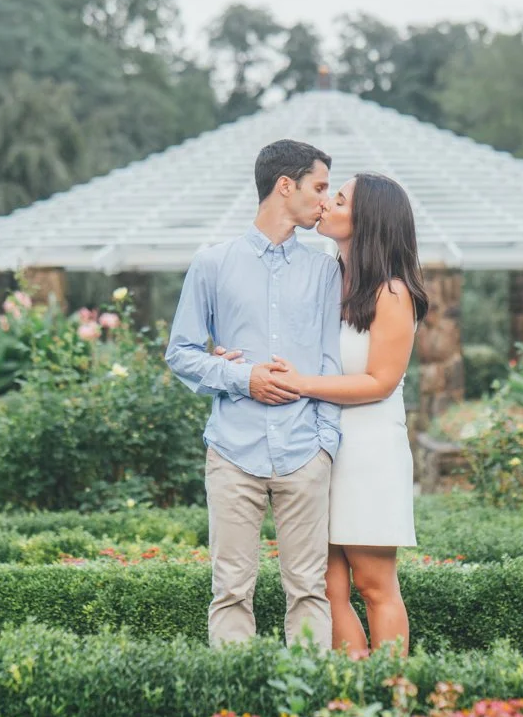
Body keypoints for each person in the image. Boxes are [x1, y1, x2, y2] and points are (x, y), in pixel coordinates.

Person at [219, 172, 427, 656]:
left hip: (369, 451)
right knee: (325, 588)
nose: (325, 203)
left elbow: (380, 381)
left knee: (374, 585)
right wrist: (237, 361)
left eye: (339, 198)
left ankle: (394, 696)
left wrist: (301, 384)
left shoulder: (392, 293)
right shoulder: (327, 280)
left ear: (368, 218)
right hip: (316, 446)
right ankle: (353, 699)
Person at [164, 139, 343, 649]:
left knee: (310, 590)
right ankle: (235, 713)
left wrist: (325, 445)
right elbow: (181, 352)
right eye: (319, 187)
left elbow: (331, 361)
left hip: (305, 451)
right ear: (285, 186)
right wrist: (245, 380)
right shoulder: (212, 263)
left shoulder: (326, 269)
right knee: (230, 591)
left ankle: (309, 713)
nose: (325, 200)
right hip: (232, 451)